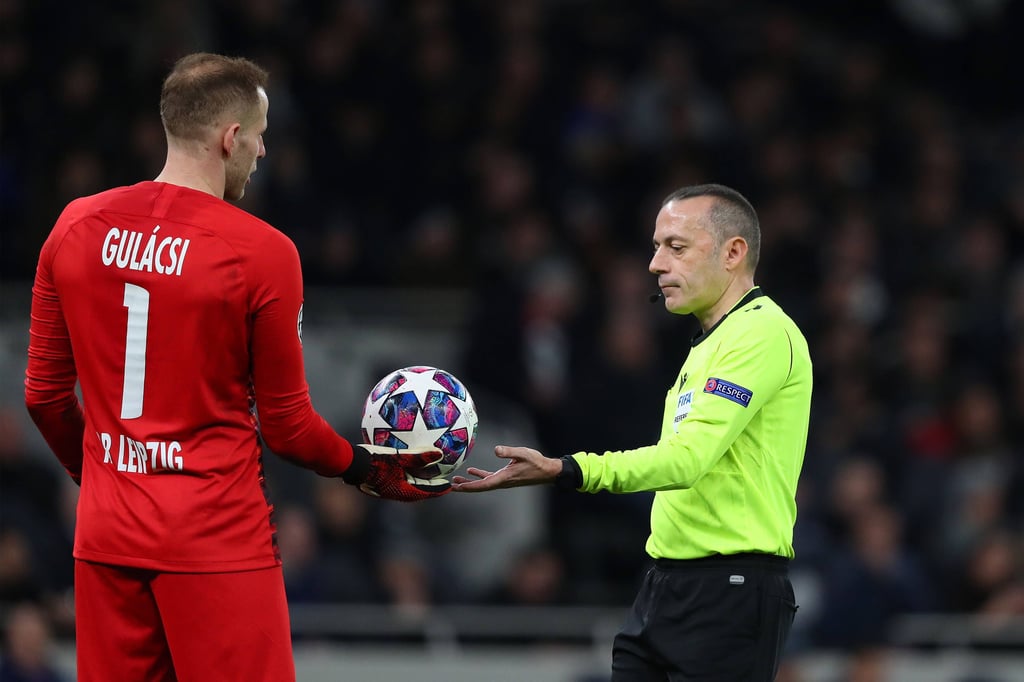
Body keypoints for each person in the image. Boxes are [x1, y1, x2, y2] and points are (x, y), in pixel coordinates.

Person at [23, 52, 449, 682]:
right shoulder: (262, 253)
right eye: (260, 135)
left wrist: (108, 482)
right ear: (230, 138)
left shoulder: (75, 225)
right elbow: (288, 427)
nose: (263, 151)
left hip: (107, 536)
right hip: (216, 538)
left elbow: (44, 398)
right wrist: (373, 473)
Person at [454, 183, 813, 681]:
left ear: (733, 253)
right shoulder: (708, 342)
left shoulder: (761, 332)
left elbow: (685, 460)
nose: (655, 264)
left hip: (730, 590)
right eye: (656, 246)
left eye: (676, 247)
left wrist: (566, 469)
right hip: (667, 582)